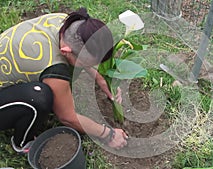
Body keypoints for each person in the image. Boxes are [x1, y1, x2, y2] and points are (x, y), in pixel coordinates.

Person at [0, 7, 128, 153]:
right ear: (65, 51)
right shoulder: (53, 67)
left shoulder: (69, 24)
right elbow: (68, 117)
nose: (90, 67)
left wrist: (101, 80)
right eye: (86, 63)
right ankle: (22, 142)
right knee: (39, 97)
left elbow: (82, 52)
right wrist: (109, 134)